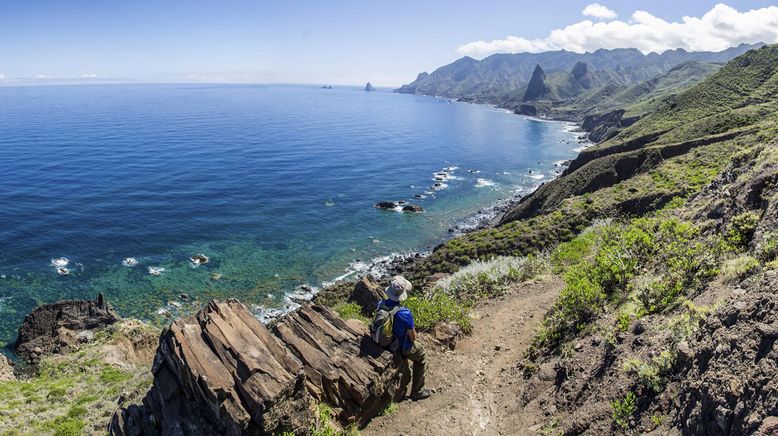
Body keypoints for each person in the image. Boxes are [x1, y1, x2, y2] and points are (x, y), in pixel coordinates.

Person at [378, 275, 432, 401]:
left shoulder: (381, 304)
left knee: (406, 365)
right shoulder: (404, 313)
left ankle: (404, 382)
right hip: (402, 347)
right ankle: (417, 391)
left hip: (387, 343)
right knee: (422, 355)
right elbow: (413, 338)